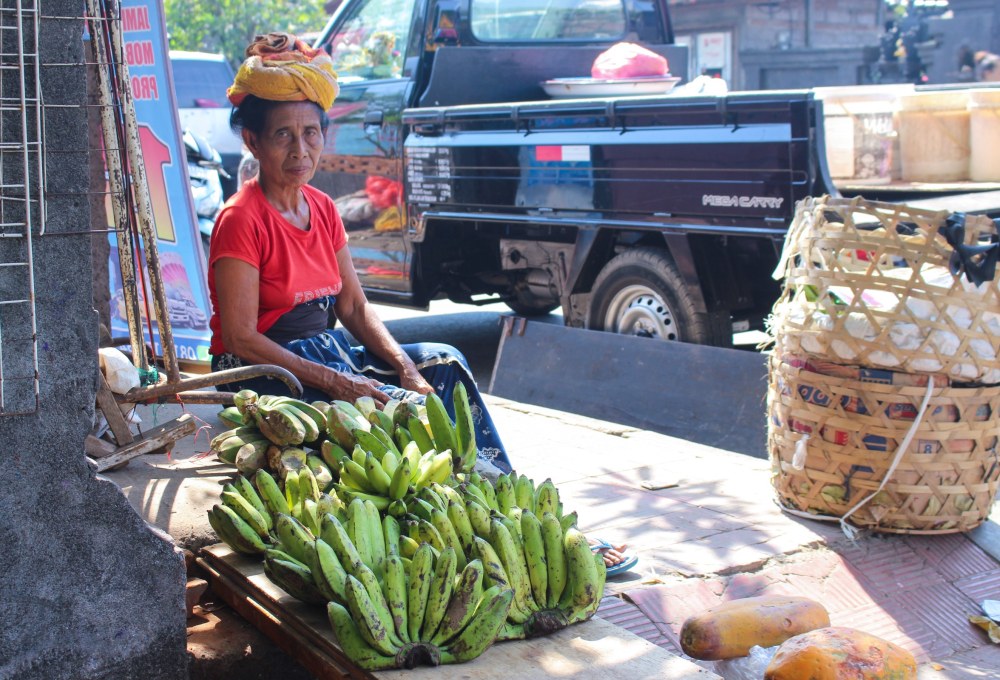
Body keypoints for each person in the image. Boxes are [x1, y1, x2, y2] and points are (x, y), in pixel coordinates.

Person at [208, 32, 510, 472]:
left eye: (311, 133)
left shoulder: (323, 208)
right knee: (393, 411)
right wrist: (336, 380)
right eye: (283, 135)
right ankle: (455, 481)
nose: (300, 150)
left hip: (322, 352)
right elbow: (240, 338)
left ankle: (494, 480)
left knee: (444, 364)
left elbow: (352, 305)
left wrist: (405, 365)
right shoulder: (241, 218)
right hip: (261, 369)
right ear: (253, 141)